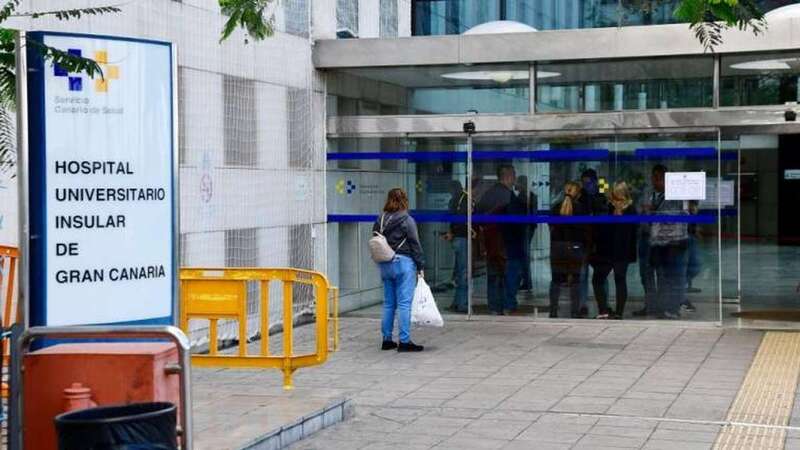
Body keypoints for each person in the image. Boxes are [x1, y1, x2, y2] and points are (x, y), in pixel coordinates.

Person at [373, 188, 425, 352]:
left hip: (385, 263)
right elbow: (415, 244)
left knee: (389, 303)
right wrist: (420, 265)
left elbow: (375, 238)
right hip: (403, 263)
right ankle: (404, 341)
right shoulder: (407, 220)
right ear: (405, 200)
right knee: (404, 303)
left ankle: (387, 340)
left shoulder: (380, 219)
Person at [476, 165, 523, 315]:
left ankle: (494, 306)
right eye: (514, 175)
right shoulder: (509, 196)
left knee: (493, 276)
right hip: (507, 244)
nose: (515, 178)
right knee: (509, 276)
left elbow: (477, 218)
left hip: (491, 245)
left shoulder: (488, 194)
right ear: (508, 176)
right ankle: (508, 305)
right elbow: (516, 223)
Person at [646, 165, 689, 320]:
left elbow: (680, 216)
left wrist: (655, 213)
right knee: (661, 276)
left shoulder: (675, 196)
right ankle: (662, 307)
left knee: (673, 276)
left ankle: (673, 307)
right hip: (657, 242)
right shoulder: (652, 195)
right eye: (654, 178)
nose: (655, 181)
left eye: (659, 178)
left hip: (673, 242)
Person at [590, 181, 638, 319]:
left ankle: (617, 312)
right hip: (609, 251)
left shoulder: (629, 209)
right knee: (600, 279)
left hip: (619, 251)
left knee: (619, 279)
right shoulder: (610, 207)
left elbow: (631, 232)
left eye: (616, 195)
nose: (614, 198)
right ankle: (606, 310)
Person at [549, 181, 590, 318]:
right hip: (575, 247)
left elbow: (551, 227)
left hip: (557, 247)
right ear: (577, 193)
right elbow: (585, 231)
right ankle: (574, 311)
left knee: (556, 280)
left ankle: (553, 311)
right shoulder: (581, 209)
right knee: (575, 281)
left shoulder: (555, 208)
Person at [577, 169, 606, 318]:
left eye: (588, 183)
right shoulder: (580, 197)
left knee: (600, 276)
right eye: (583, 183)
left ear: (595, 182)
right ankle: (582, 305)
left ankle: (603, 305)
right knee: (582, 275)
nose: (585, 185)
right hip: (583, 241)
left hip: (598, 241)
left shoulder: (601, 196)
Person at [443, 181, 470, 313]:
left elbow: (455, 219)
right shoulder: (462, 199)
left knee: (461, 271)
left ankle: (459, 302)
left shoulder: (458, 199)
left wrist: (451, 232)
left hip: (459, 238)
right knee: (462, 271)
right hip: (462, 238)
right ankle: (461, 303)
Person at [516, 175, 538, 292]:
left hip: (524, 228)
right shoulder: (531, 196)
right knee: (524, 254)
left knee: (524, 255)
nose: (515, 185)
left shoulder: (522, 197)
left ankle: (526, 281)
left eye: (517, 183)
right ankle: (526, 280)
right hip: (529, 228)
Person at [684, 200, 701, 312]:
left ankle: (680, 287)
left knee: (694, 266)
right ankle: (680, 296)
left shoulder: (693, 208)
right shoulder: (683, 207)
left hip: (691, 237)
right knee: (690, 266)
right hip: (685, 238)